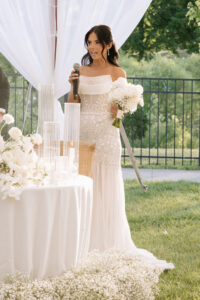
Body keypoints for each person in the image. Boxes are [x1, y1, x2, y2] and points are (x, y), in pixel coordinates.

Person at [68, 24, 174, 272]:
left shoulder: (118, 73)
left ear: (108, 45)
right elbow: (73, 104)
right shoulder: (80, 71)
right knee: (84, 185)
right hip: (83, 133)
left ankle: (107, 244)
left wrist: (120, 112)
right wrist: (71, 86)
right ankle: (81, 242)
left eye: (96, 42)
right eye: (89, 42)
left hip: (106, 135)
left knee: (105, 186)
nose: (91, 47)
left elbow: (122, 113)